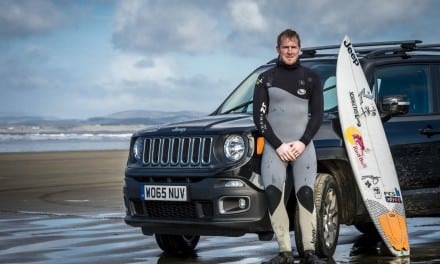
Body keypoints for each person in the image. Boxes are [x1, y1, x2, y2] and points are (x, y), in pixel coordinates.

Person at [253, 29, 324, 264]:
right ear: (278, 49)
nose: (290, 51)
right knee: (273, 195)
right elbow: (259, 118)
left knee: (305, 195)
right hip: (276, 147)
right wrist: (279, 145)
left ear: (299, 49)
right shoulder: (265, 78)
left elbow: (317, 116)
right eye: (285, 47)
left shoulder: (312, 77)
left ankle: (310, 251)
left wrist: (302, 142)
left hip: (303, 147)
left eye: (293, 47)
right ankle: (284, 251)